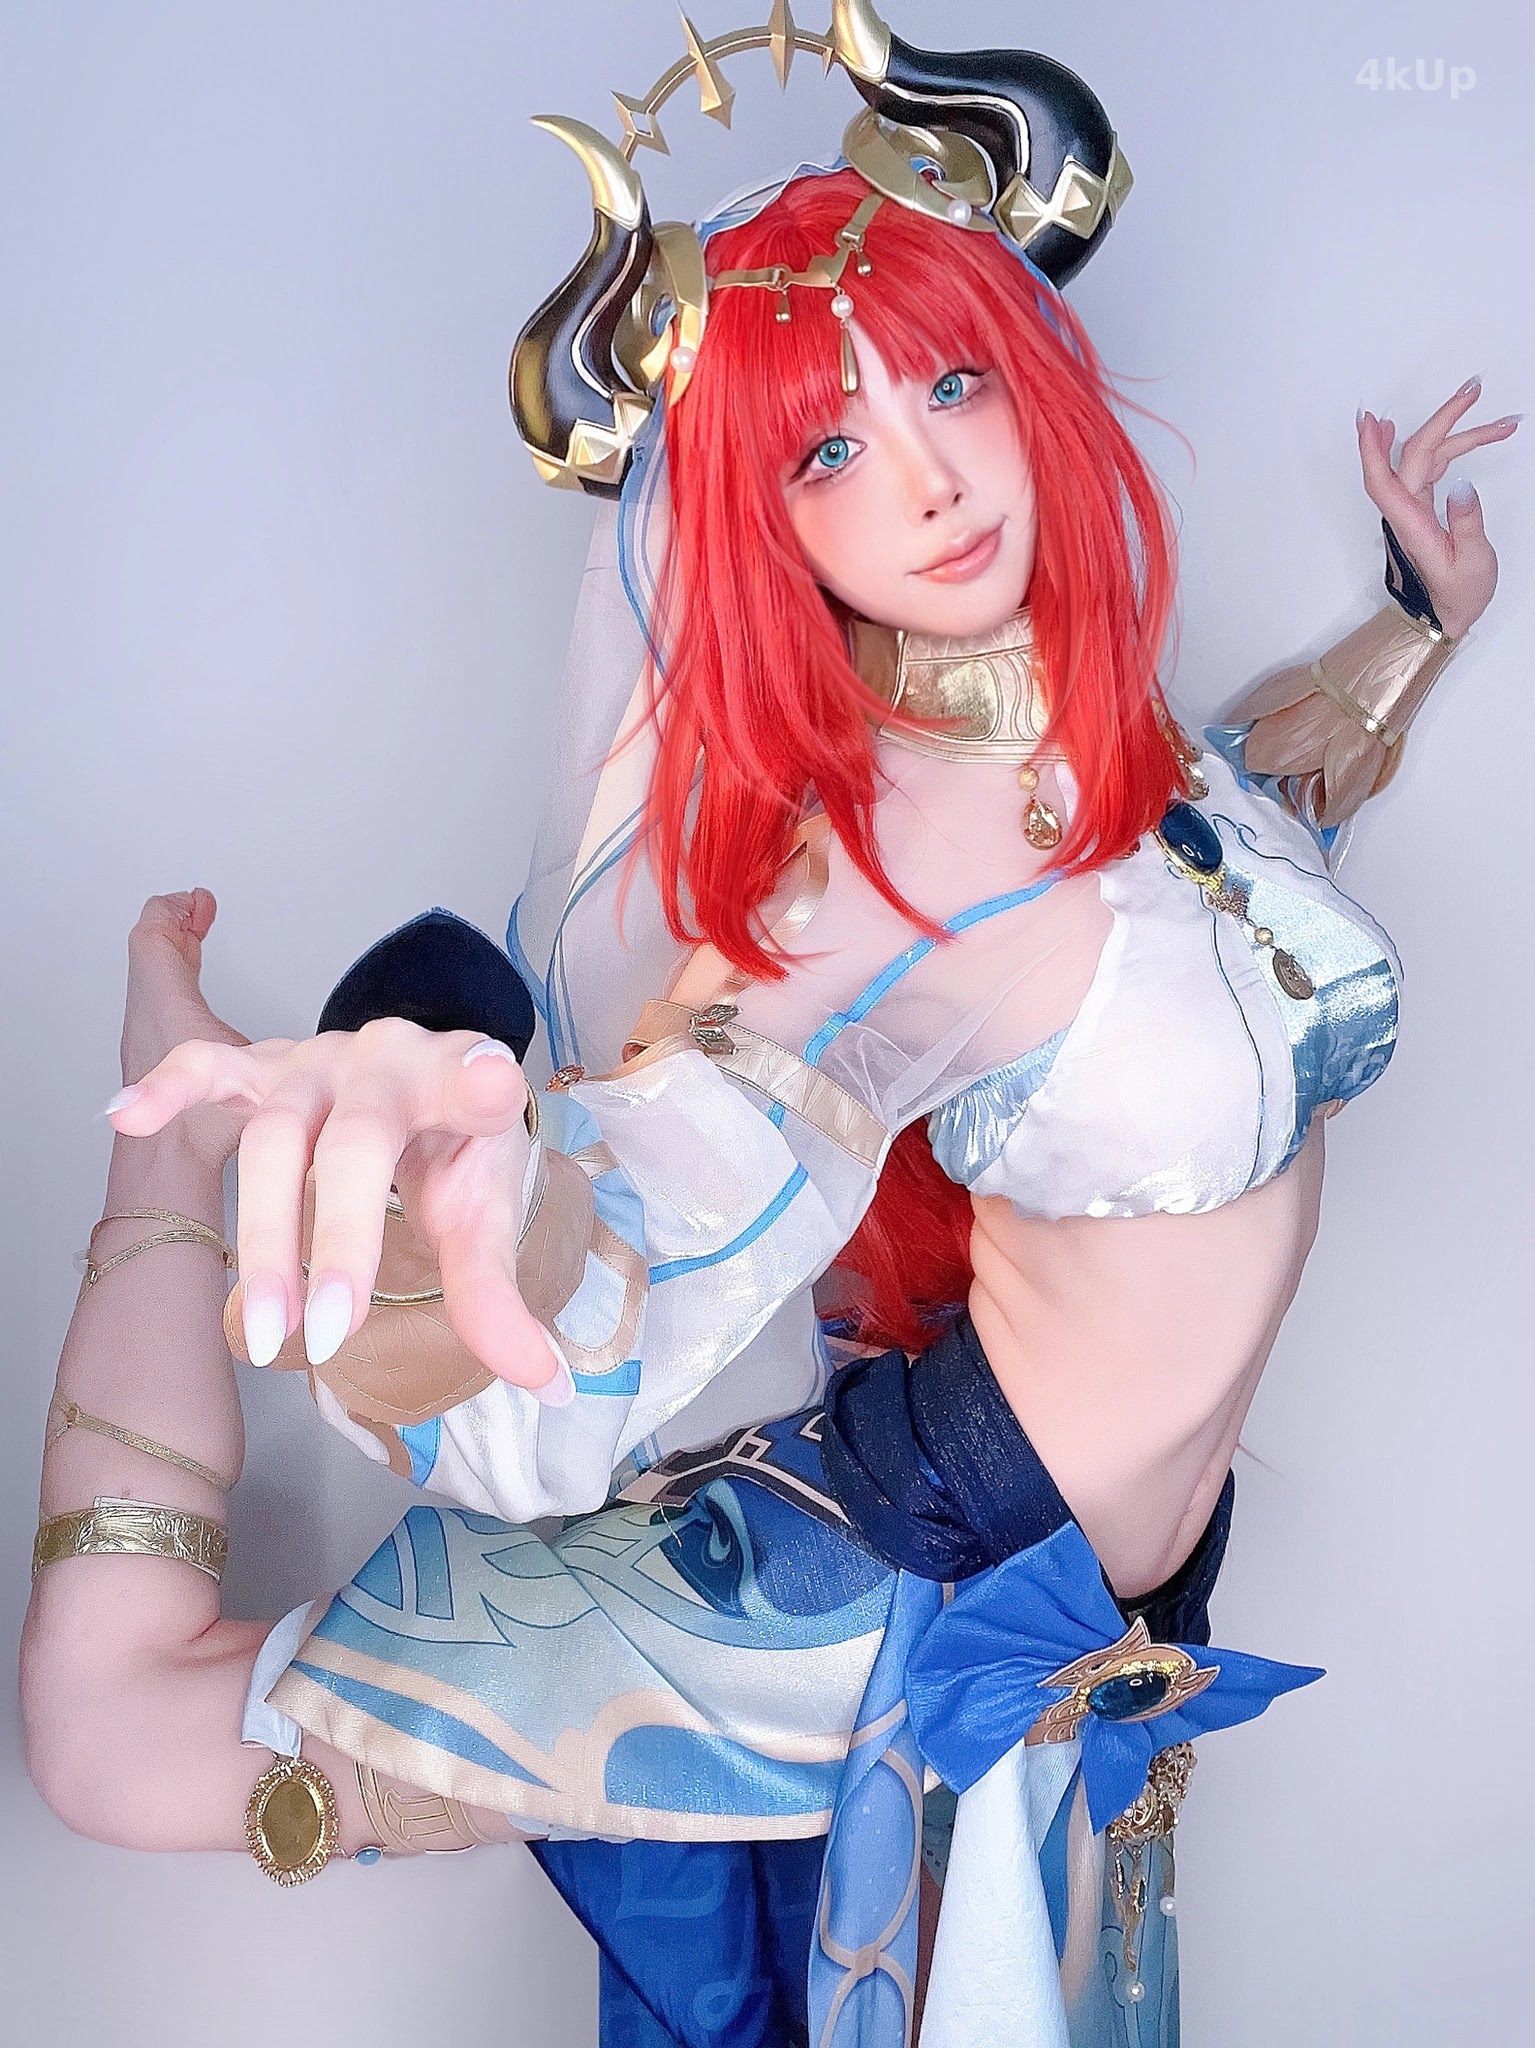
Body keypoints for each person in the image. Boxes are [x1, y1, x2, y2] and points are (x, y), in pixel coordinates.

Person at [21, 6, 1518, 2044]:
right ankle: (169, 1131)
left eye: (953, 380)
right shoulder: (862, 890)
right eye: (829, 446)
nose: (930, 476)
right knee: (120, 1733)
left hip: (1092, 1606)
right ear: (764, 518)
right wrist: (459, 1177)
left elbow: (1228, 865)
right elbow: (645, 1222)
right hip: (863, 1592)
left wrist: (1413, 627)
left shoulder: (1109, 732)